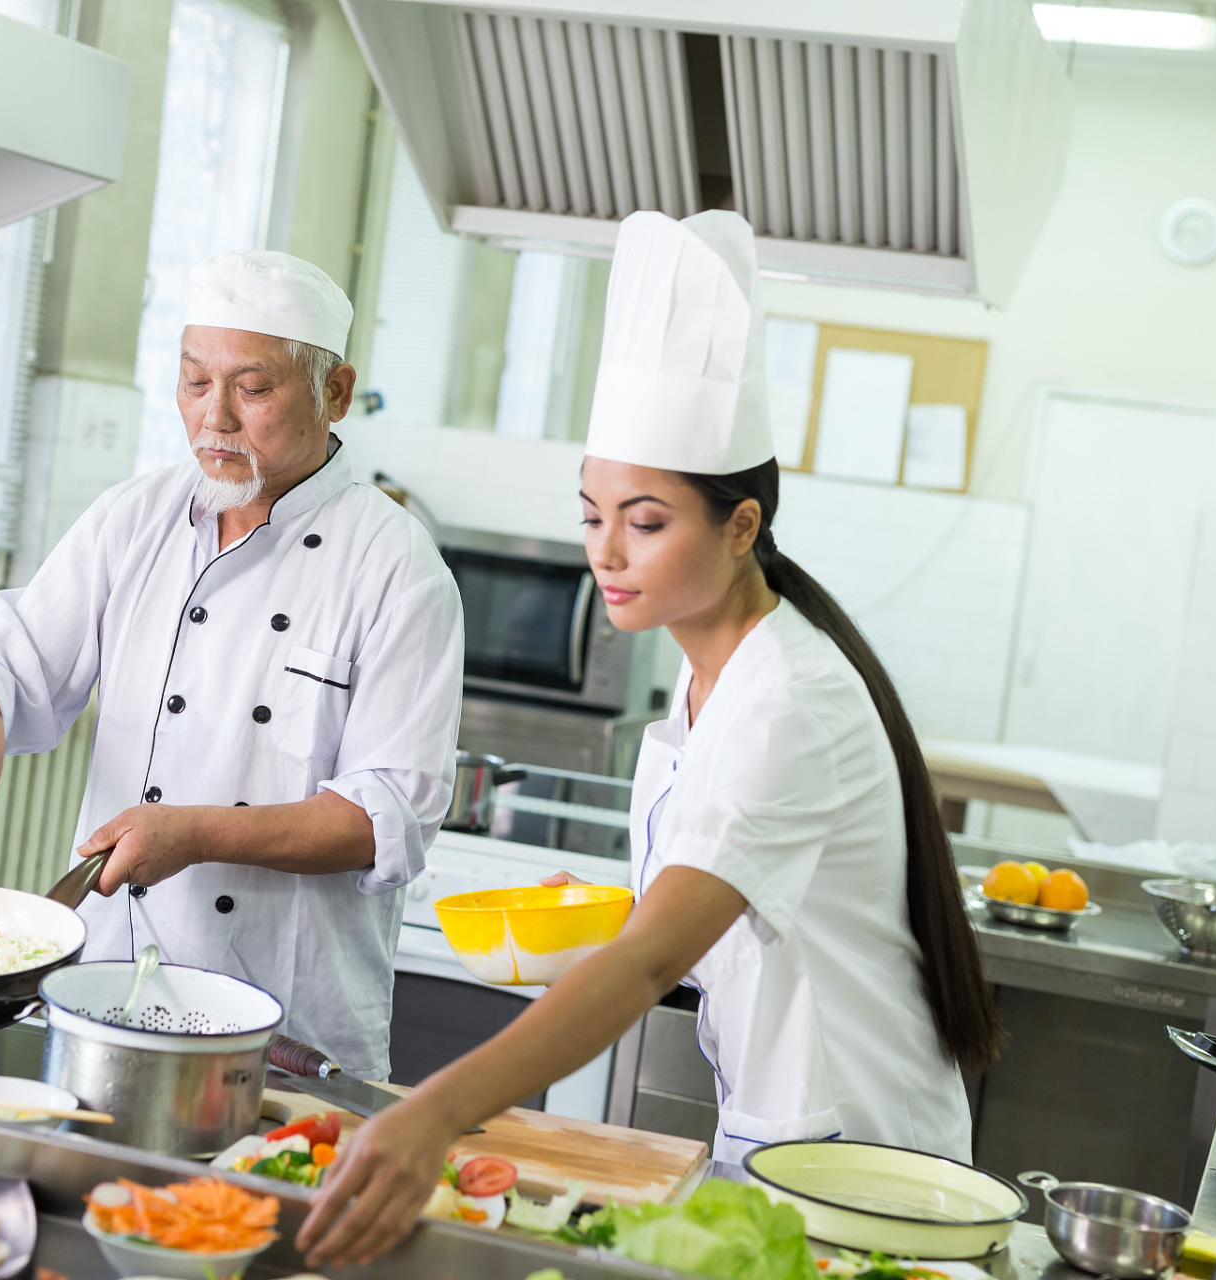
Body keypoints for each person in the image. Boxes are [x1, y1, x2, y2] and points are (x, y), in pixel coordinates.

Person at [296, 210, 1004, 1267]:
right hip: (784, 1134)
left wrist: (434, 1112)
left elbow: (651, 955)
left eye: (647, 518)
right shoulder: (705, 665)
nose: (607, 552)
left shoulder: (790, 698)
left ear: (741, 525)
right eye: (591, 514)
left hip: (865, 1162)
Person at [0, 250, 463, 1081]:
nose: (215, 420)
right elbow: (6, 657)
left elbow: (389, 814)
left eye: (254, 388)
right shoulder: (136, 517)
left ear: (334, 393)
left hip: (282, 1027)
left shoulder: (393, 564)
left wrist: (196, 833)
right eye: (195, 382)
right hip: (104, 999)